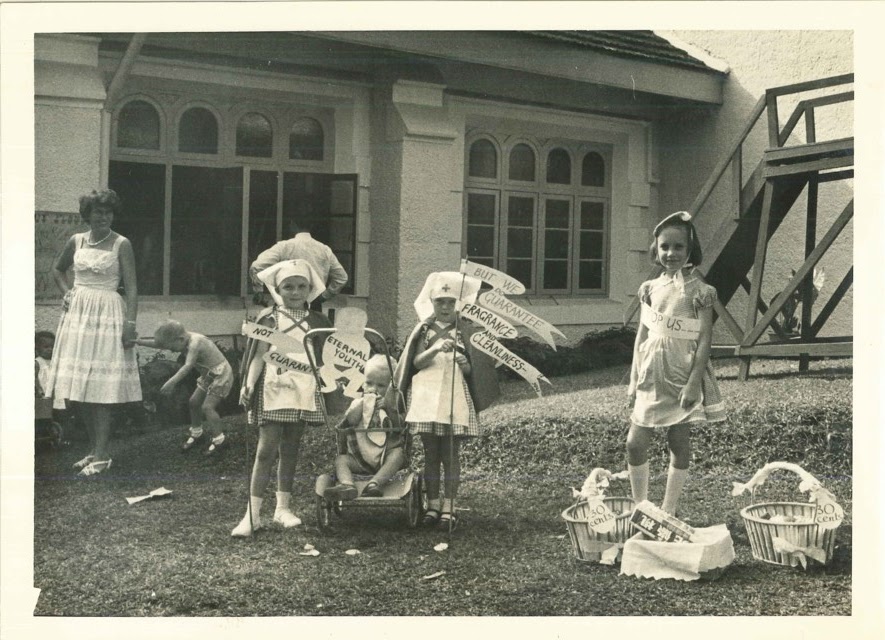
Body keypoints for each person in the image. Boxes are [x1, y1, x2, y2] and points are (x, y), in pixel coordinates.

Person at [626, 211, 726, 515]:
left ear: (690, 249)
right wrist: (632, 379)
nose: (671, 253)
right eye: (664, 247)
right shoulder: (649, 289)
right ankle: (641, 507)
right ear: (656, 249)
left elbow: (705, 339)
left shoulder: (701, 292)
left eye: (678, 247)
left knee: (678, 442)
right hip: (651, 373)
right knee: (634, 442)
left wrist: (694, 382)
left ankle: (668, 511)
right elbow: (641, 337)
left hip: (681, 375)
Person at [45, 189, 141, 477]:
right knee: (80, 388)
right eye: (98, 212)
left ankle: (102, 455)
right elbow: (58, 270)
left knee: (100, 388)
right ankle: (93, 450)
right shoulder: (76, 240)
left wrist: (130, 325)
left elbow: (133, 289)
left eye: (108, 212)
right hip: (78, 316)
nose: (103, 217)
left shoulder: (122, 244)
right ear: (87, 214)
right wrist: (67, 294)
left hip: (108, 314)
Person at [233, 259, 331, 536]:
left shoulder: (317, 322)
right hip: (274, 388)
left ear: (310, 289)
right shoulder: (269, 319)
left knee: (291, 448)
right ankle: (252, 515)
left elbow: (326, 358)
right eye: (288, 286)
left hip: (303, 388)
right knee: (266, 450)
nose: (295, 292)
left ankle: (282, 509)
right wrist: (249, 384)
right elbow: (257, 356)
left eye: (301, 286)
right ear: (278, 289)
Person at [396, 272, 499, 531]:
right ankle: (432, 503)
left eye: (450, 302)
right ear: (431, 303)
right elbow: (416, 363)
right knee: (431, 453)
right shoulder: (425, 330)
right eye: (440, 302)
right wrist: (435, 348)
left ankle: (449, 505)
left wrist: (466, 365)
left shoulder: (465, 331)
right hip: (427, 396)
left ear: (458, 304)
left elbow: (471, 371)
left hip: (453, 395)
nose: (444, 307)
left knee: (451, 453)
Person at [136, 320, 232, 456]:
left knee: (207, 407)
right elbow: (160, 344)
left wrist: (171, 382)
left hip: (220, 375)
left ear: (180, 339)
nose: (171, 351)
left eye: (172, 349)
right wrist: (140, 342)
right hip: (208, 374)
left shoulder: (195, 343)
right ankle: (197, 433)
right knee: (194, 402)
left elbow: (188, 366)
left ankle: (220, 440)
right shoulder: (182, 338)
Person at [324, 355, 406, 501]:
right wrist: (361, 405)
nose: (374, 389)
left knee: (398, 454)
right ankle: (347, 485)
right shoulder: (358, 402)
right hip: (359, 458)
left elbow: (400, 427)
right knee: (341, 460)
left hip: (384, 457)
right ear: (363, 384)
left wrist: (389, 409)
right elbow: (349, 421)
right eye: (369, 383)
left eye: (381, 386)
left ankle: (375, 484)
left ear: (391, 387)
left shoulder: (393, 404)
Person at [249, 221, 348, 311]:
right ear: (311, 226)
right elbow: (341, 278)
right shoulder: (324, 250)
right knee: (313, 330)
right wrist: (324, 296)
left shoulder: (285, 246)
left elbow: (257, 266)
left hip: (287, 301)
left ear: (292, 225)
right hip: (314, 303)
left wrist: (258, 290)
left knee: (285, 329)